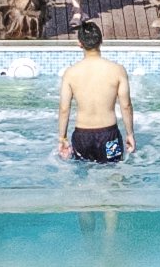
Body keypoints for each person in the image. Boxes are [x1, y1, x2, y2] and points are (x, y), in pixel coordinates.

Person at [56, 21, 133, 163]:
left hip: (82, 137)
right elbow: (126, 106)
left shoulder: (70, 73)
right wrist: (130, 134)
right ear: (101, 41)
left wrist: (62, 138)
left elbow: (64, 109)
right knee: (115, 171)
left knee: (81, 172)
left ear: (80, 44)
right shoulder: (117, 70)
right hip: (109, 136)